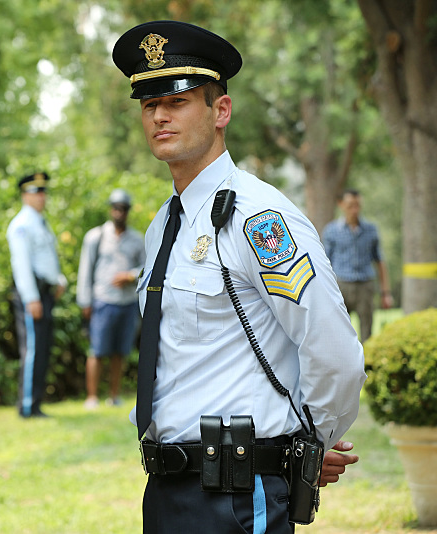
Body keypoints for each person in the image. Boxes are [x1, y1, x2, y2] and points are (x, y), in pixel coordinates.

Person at [112, 21, 366, 532]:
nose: (160, 114)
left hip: (235, 494)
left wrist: (307, 446)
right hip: (165, 487)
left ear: (220, 110)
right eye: (148, 102)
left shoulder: (259, 218)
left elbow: (333, 350)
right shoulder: (165, 222)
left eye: (178, 100)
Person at [76, 188, 145, 409]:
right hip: (103, 300)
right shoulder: (96, 236)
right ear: (110, 209)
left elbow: (147, 268)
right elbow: (85, 270)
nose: (119, 213)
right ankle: (92, 397)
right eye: (115, 208)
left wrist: (130, 276)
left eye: (123, 209)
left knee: (120, 352)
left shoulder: (137, 239)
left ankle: (114, 395)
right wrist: (84, 301)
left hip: (127, 303)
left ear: (128, 211)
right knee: (97, 350)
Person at [6, 172, 67, 418]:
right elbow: (21, 265)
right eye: (36, 192)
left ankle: (37, 402)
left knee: (42, 349)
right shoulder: (21, 224)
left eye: (43, 192)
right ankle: (28, 406)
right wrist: (31, 298)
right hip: (32, 295)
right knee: (32, 350)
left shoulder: (41, 222)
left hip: (45, 292)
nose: (41, 197)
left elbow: (47, 259)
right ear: (25, 195)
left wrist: (59, 280)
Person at [322, 189, 394, 342]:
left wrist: (385, 293)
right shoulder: (331, 231)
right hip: (341, 286)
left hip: (365, 286)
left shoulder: (371, 229)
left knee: (367, 332)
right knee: (339, 331)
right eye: (350, 206)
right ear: (341, 204)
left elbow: (380, 261)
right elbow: (325, 263)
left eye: (357, 205)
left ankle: (367, 364)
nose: (354, 210)